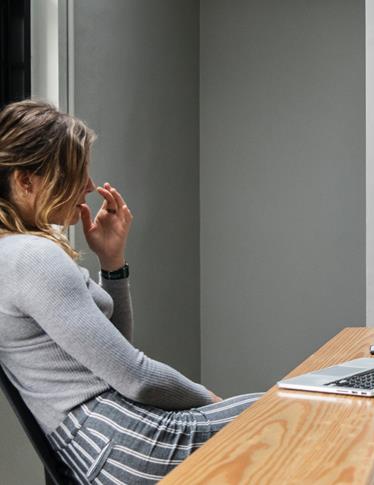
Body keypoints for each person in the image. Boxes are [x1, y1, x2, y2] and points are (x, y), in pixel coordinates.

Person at [0, 100, 262, 483]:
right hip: (123, 445)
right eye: (75, 172)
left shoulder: (12, 254)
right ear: (26, 181)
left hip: (106, 448)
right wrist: (210, 399)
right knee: (292, 411)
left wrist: (112, 262)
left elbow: (112, 357)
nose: (89, 186)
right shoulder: (32, 257)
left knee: (288, 415)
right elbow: (135, 376)